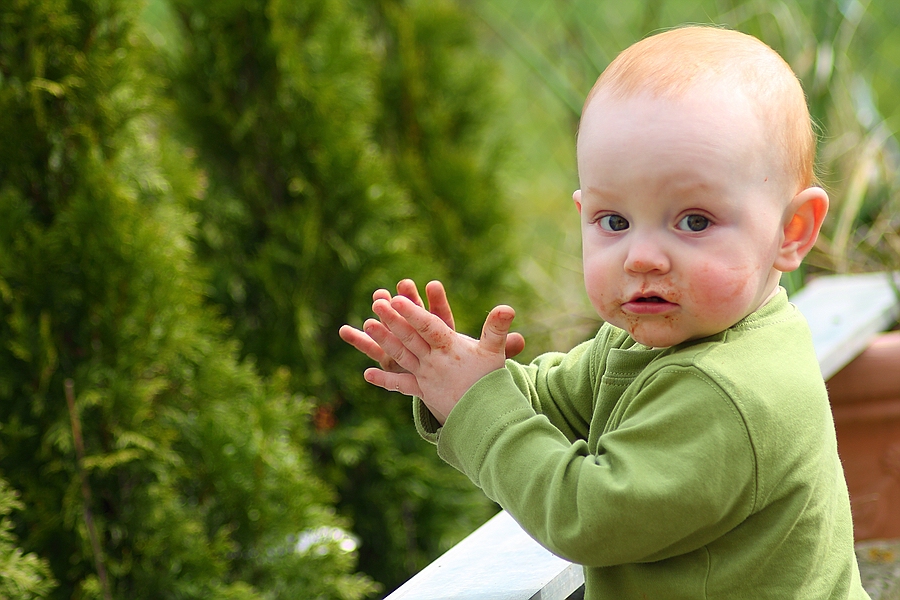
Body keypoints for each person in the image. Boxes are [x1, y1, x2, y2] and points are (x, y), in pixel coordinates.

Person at [340, 26, 870, 599]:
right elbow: (555, 400)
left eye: (694, 221)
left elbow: (584, 516)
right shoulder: (660, 335)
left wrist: (476, 402)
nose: (641, 256)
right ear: (583, 213)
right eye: (614, 222)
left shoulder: (727, 393)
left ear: (791, 232)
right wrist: (454, 372)